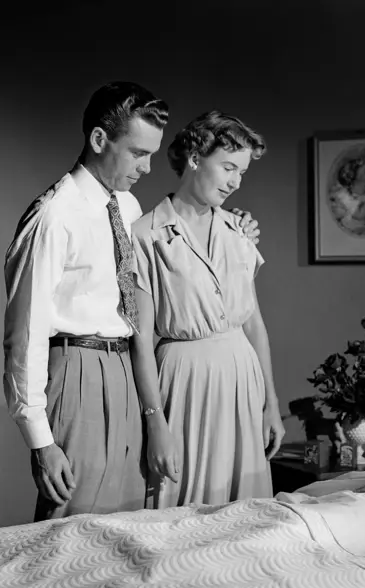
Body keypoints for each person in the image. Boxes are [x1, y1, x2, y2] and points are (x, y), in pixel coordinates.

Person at [3, 83, 261, 521]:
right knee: (72, 527)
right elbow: (24, 333)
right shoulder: (54, 215)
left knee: (126, 524)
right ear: (99, 140)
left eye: (151, 154)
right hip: (78, 370)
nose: (146, 167)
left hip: (128, 373)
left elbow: (171, 253)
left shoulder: (125, 204)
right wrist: (41, 441)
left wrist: (236, 225)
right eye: (137, 153)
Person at [130, 110, 285, 508]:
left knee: (245, 515)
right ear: (196, 158)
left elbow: (254, 323)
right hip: (185, 383)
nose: (235, 182)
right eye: (229, 167)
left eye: (243, 172)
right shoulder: (146, 234)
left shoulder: (238, 231)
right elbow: (141, 340)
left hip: (242, 378)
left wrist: (271, 402)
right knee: (180, 509)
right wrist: (155, 421)